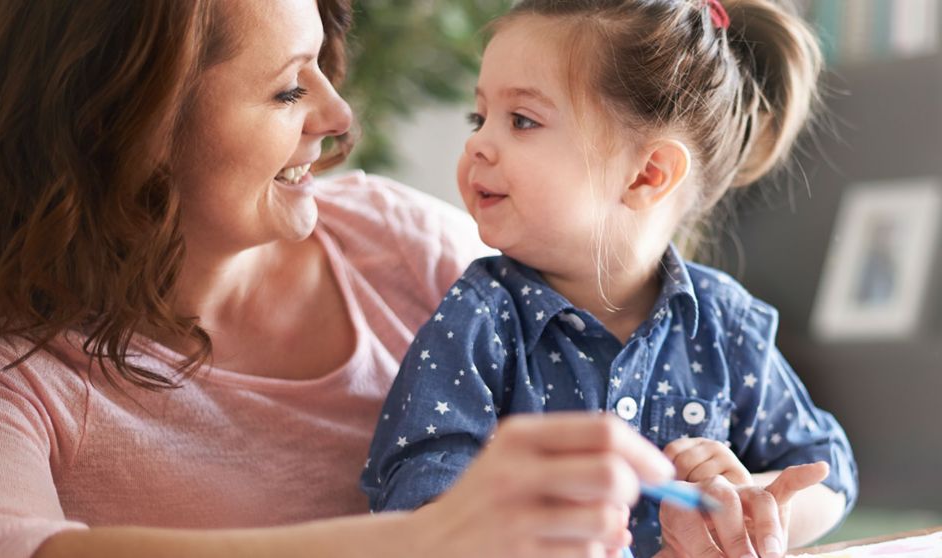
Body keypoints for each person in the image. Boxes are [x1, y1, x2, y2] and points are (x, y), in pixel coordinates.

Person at [0, 1, 682, 557]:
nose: (338, 113)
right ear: (133, 127)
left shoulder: (402, 244)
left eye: (321, 70)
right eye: (287, 92)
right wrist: (426, 537)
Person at [360, 1, 859, 557]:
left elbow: (828, 474)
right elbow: (415, 504)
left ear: (647, 175)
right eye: (479, 118)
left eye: (522, 120)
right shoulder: (479, 320)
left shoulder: (726, 326)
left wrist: (745, 505)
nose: (477, 143)